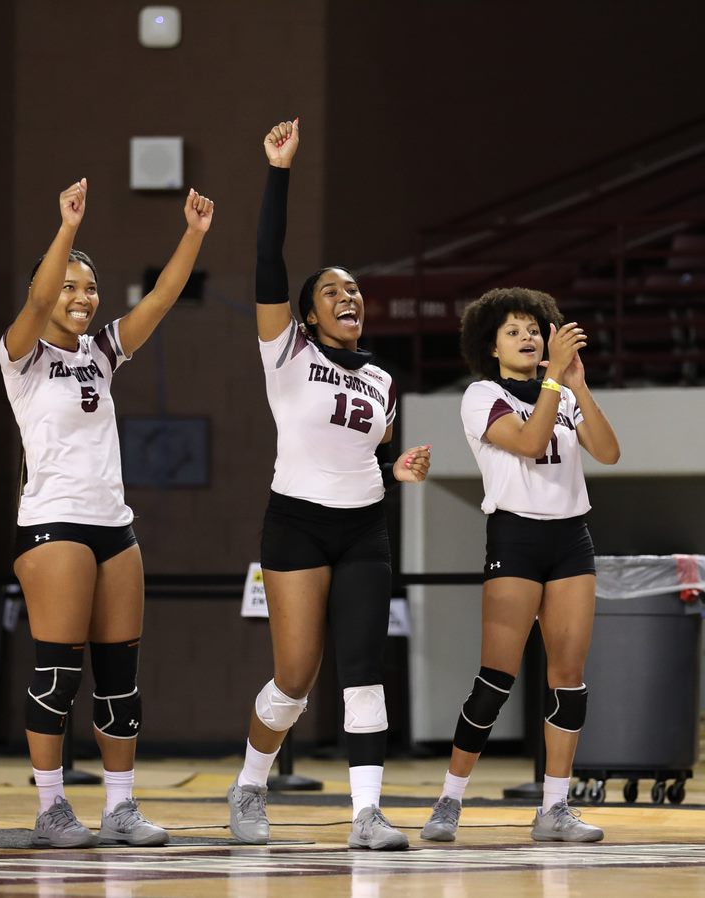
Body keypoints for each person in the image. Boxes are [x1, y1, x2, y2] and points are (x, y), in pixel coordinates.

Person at [226, 119, 431, 851]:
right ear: (310, 311)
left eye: (357, 290)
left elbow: (366, 456)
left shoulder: (384, 380)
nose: (351, 297)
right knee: (294, 678)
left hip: (364, 527)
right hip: (297, 525)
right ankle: (251, 783)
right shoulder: (285, 352)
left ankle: (366, 814)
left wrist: (394, 470)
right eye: (334, 291)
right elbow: (266, 259)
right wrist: (278, 171)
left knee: (364, 670)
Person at [2, 177, 215, 847]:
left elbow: (161, 298)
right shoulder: (23, 356)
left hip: (114, 527)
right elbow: (38, 297)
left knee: (120, 679)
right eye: (69, 286)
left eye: (88, 287)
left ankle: (120, 807)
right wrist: (64, 229)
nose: (80, 297)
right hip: (54, 524)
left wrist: (194, 235)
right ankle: (51, 809)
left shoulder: (101, 353)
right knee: (59, 673)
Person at [419, 287, 620, 843]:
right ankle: (449, 800)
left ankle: (554, 807)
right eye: (514, 331)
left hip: (571, 537)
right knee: (496, 678)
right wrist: (556, 380)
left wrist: (576, 383)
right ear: (491, 347)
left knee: (570, 679)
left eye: (535, 328)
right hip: (516, 533)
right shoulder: (483, 395)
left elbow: (608, 452)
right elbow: (531, 444)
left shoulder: (563, 390)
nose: (529, 336)